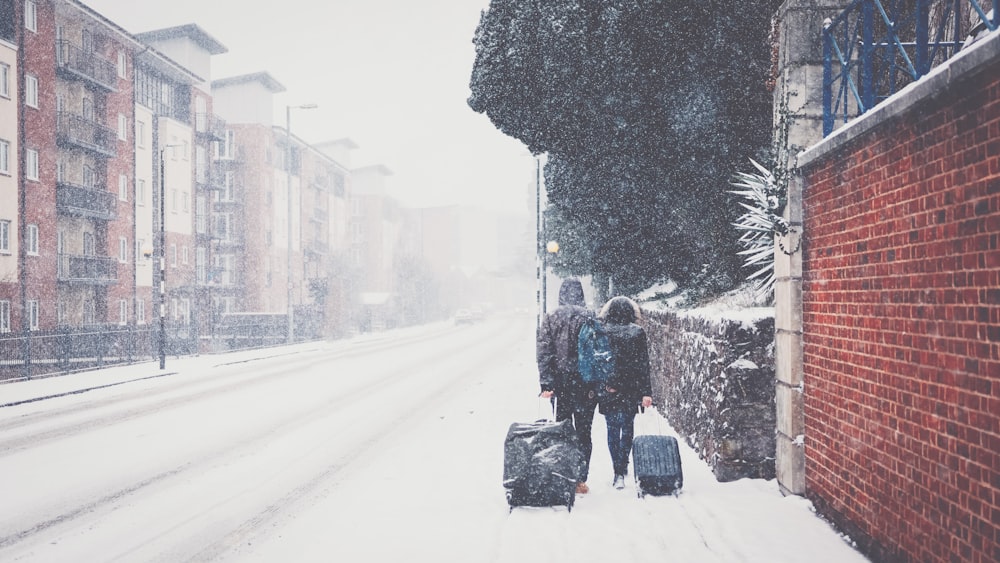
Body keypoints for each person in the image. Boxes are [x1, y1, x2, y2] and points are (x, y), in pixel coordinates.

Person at [537, 278, 598, 494]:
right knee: (584, 431)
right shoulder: (590, 316)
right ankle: (580, 479)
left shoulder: (552, 317)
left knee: (563, 430)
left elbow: (544, 352)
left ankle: (564, 474)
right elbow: (599, 352)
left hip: (561, 384)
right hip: (586, 384)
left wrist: (547, 383)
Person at [597, 296, 653, 490]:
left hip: (609, 388)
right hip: (631, 387)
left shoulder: (602, 332)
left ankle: (617, 471)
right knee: (627, 427)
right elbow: (643, 365)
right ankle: (624, 464)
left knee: (612, 429)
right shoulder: (638, 332)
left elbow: (600, 362)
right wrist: (646, 392)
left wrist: (604, 384)